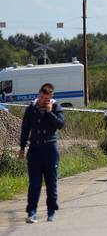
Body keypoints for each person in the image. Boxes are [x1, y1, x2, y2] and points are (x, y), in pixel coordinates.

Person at [19, 83, 64, 223]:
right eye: (43, 97)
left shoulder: (56, 107)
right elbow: (25, 129)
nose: (45, 100)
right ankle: (31, 212)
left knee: (51, 182)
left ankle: (51, 211)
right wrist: (22, 148)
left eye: (47, 98)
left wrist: (49, 112)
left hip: (50, 149)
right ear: (39, 94)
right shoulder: (31, 109)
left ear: (51, 97)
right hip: (35, 150)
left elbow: (60, 124)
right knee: (34, 183)